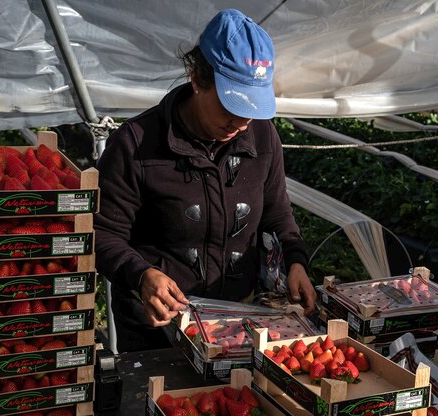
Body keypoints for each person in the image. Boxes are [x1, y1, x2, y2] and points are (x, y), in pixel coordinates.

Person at [94, 9, 316, 352]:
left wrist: (295, 261)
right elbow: (104, 233)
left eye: (252, 108)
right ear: (198, 78)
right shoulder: (136, 144)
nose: (242, 122)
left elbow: (277, 214)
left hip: (239, 326)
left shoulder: (262, 138)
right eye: (232, 105)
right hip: (159, 334)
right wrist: (140, 276)